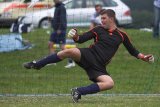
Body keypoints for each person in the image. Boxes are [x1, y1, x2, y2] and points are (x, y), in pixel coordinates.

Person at [23, 9, 154, 103]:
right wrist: (74, 35)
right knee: (71, 51)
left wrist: (143, 57)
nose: (101, 20)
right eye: (100, 18)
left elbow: (133, 50)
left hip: (99, 66)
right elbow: (80, 39)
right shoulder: (98, 29)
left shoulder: (122, 35)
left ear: (111, 19)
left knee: (109, 83)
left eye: (104, 18)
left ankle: (78, 91)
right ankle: (37, 64)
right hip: (89, 55)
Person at [49, 0, 75, 68]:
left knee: (62, 47)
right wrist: (52, 20)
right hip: (55, 30)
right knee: (50, 44)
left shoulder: (61, 7)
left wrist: (60, 29)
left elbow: (63, 19)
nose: (54, 0)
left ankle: (71, 62)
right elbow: (57, 19)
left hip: (60, 30)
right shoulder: (57, 7)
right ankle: (52, 61)